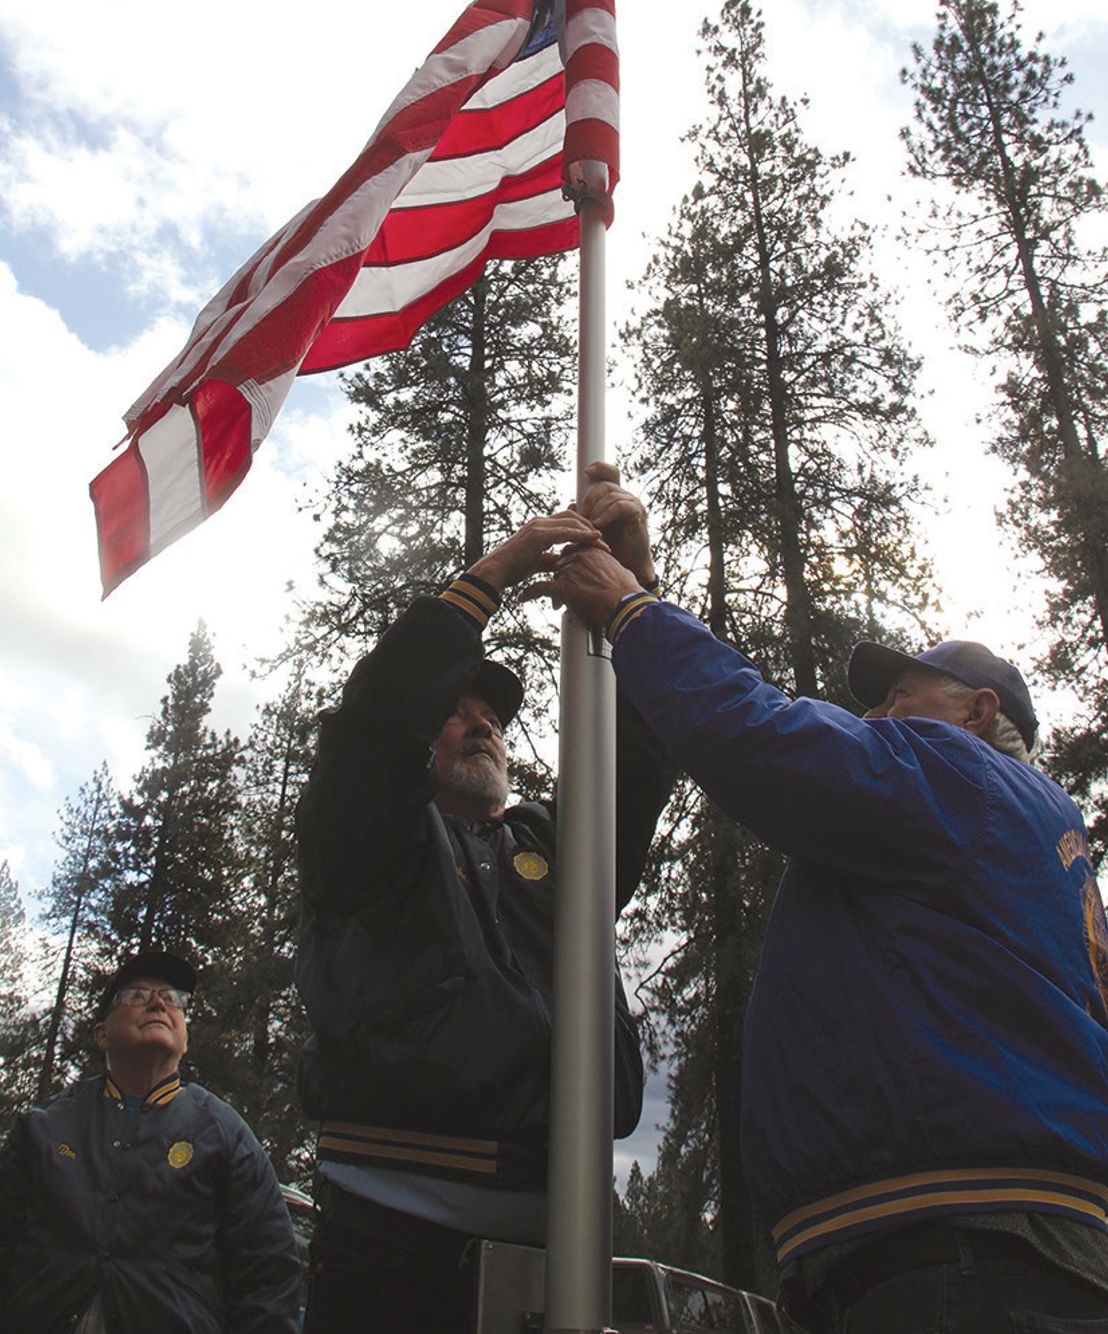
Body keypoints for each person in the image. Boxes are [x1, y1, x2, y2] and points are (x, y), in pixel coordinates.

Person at [552, 540, 1108, 1334]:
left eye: (897, 697)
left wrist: (633, 612)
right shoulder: (1047, 851)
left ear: (978, 712)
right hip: (1000, 1250)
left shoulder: (961, 776)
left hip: (963, 1254)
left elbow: (767, 740)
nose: (873, 717)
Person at [294, 470, 672, 1334]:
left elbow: (639, 762)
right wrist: (496, 571)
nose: (481, 724)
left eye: (493, 714)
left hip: (560, 1246)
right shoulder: (369, 845)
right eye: (455, 712)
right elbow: (374, 728)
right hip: (391, 1248)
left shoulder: (551, 846)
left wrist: (634, 591)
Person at [0, 949, 302, 1333]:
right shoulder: (44, 1128)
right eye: (138, 995)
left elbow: (268, 1276)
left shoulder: (225, 1135)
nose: (160, 1002)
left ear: (185, 1040)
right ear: (102, 1033)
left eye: (173, 999)